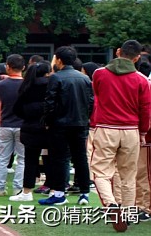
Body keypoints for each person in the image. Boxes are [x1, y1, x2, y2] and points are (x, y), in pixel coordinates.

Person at [91, 40, 151, 231]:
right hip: (131, 130)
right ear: (137, 57)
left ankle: (110, 205)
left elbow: (97, 96)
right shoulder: (142, 79)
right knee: (129, 175)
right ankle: (127, 211)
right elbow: (145, 110)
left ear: (118, 52)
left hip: (106, 127)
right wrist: (143, 132)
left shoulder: (99, 74)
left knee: (101, 171)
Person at [40, 46, 93, 206]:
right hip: (80, 123)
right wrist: (85, 117)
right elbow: (90, 101)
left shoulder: (56, 78)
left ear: (59, 60)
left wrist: (48, 121)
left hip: (60, 124)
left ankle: (59, 193)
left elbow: (50, 102)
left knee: (59, 158)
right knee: (80, 158)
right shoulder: (84, 78)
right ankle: (84, 192)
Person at [9, 61, 52, 202]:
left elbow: (17, 108)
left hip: (30, 127)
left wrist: (29, 116)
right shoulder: (53, 84)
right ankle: (56, 191)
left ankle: (27, 192)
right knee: (55, 160)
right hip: (50, 127)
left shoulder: (27, 86)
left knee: (30, 161)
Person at [0, 54, 26, 196]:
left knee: (2, 158)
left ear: (7, 66)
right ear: (23, 67)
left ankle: (0, 188)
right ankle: (18, 187)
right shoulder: (26, 84)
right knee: (22, 158)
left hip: (6, 123)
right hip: (22, 124)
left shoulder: (1, 85)